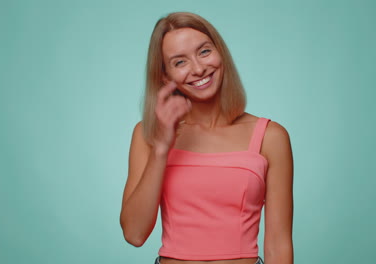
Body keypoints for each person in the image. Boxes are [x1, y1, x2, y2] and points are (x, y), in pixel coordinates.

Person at [120, 12, 294, 264]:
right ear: (165, 76)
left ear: (220, 53)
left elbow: (279, 245)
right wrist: (161, 149)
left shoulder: (271, 136)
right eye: (180, 62)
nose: (199, 68)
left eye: (204, 52)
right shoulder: (147, 134)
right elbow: (134, 234)